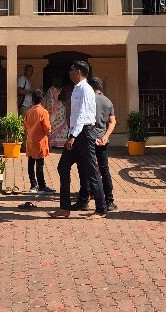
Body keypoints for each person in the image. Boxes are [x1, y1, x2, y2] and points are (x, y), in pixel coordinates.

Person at [48, 61, 106, 218]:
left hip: (84, 135)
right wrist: (72, 134)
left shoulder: (86, 90)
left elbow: (82, 114)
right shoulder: (77, 89)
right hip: (76, 134)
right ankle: (64, 208)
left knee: (92, 171)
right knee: (63, 167)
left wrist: (73, 135)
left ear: (78, 71)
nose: (69, 72)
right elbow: (74, 115)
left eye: (72, 70)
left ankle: (101, 209)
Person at [74, 77, 117, 212]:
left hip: (89, 138)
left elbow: (83, 119)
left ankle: (84, 199)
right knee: (104, 169)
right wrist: (105, 136)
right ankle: (109, 200)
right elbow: (112, 121)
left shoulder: (88, 100)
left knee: (86, 169)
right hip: (102, 139)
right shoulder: (108, 101)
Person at [24, 89, 54, 195]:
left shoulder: (29, 111)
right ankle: (41, 186)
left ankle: (33, 185)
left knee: (31, 162)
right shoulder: (43, 112)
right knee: (40, 164)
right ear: (42, 99)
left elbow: (25, 126)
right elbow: (47, 128)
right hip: (40, 140)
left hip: (30, 140)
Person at [44, 80, 68, 148]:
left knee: (53, 127)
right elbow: (53, 102)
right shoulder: (54, 90)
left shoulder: (50, 90)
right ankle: (57, 143)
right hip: (55, 111)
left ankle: (52, 142)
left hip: (50, 110)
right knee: (61, 125)